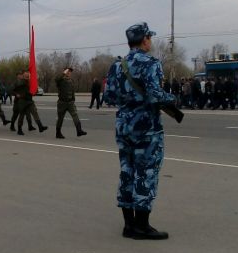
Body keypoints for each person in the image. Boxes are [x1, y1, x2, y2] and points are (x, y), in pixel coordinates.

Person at [103, 22, 174, 240]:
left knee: (127, 171)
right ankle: (142, 227)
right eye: (149, 38)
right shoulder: (151, 63)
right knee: (147, 173)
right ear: (145, 40)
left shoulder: (118, 65)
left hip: (124, 125)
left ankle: (129, 225)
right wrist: (172, 99)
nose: (150, 41)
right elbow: (155, 95)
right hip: (146, 127)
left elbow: (109, 97)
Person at [55, 67, 87, 139]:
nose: (69, 73)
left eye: (70, 72)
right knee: (60, 118)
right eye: (68, 71)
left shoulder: (71, 80)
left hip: (70, 103)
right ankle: (58, 133)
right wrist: (63, 73)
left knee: (75, 115)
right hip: (62, 103)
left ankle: (79, 131)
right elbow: (56, 79)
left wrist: (73, 99)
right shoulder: (60, 80)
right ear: (65, 72)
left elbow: (72, 91)